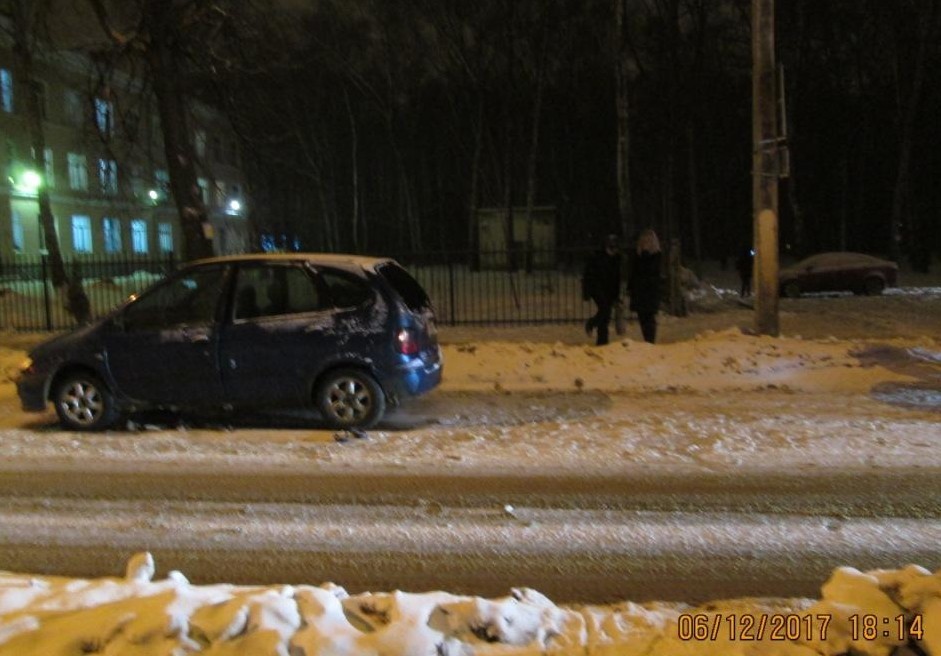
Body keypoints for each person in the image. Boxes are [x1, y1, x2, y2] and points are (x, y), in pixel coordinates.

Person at [582, 234, 622, 346]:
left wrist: (616, 295)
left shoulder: (616, 258)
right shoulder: (597, 257)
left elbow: (616, 278)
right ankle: (592, 324)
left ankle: (602, 340)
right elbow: (589, 275)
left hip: (608, 289)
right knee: (605, 310)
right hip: (597, 288)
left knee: (606, 314)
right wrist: (587, 291)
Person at [628, 228, 662, 344]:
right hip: (639, 290)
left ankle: (650, 340)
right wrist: (630, 286)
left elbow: (651, 271)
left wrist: (645, 255)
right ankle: (647, 339)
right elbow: (634, 272)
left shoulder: (655, 255)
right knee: (642, 316)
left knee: (649, 316)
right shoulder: (638, 255)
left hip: (649, 290)